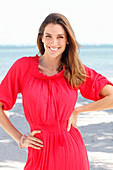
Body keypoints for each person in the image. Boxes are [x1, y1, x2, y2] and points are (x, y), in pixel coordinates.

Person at [0, 13, 113, 170]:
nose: (54, 42)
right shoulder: (22, 67)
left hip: (70, 151)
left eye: (60, 37)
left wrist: (78, 111)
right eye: (49, 36)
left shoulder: (75, 70)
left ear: (67, 40)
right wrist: (20, 138)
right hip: (38, 150)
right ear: (41, 38)